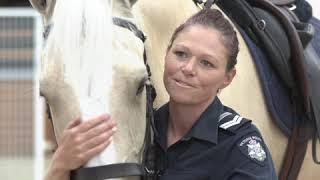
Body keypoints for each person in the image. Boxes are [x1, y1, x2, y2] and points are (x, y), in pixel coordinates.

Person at [45, 9, 277, 180]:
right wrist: (60, 166)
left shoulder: (240, 146)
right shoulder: (140, 128)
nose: (188, 69)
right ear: (165, 55)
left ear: (228, 77)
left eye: (206, 63)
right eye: (181, 53)